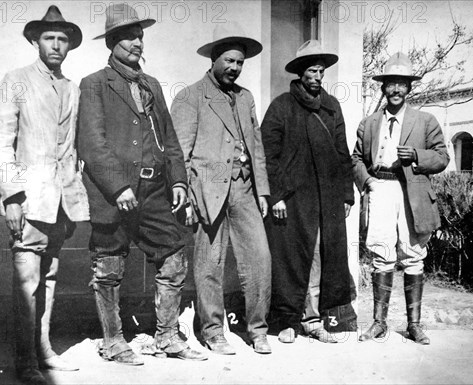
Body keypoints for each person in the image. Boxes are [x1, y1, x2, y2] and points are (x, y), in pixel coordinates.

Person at [78, 3, 207, 365]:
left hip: (154, 192)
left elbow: (169, 138)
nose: (137, 42)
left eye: (140, 36)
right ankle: (113, 341)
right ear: (112, 42)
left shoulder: (151, 85)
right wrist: (118, 187)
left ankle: (167, 337)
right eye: (128, 37)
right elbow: (92, 142)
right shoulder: (94, 85)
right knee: (108, 266)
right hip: (113, 194)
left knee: (174, 257)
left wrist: (179, 180)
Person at [0, 6, 90, 384]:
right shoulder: (16, 80)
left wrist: (74, 199)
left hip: (60, 203)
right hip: (28, 201)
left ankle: (44, 351)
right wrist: (13, 196)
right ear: (36, 41)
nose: (56, 45)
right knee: (26, 283)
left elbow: (71, 149)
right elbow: (3, 143)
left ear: (69, 46)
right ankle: (25, 360)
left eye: (62, 39)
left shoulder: (71, 88)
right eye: (49, 38)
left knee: (49, 278)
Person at [170, 22, 272, 355]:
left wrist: (264, 193)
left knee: (259, 258)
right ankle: (213, 331)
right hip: (207, 191)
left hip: (244, 190)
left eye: (240, 63)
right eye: (229, 61)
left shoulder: (245, 98)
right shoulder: (190, 97)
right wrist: (184, 194)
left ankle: (258, 330)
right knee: (209, 264)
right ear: (214, 60)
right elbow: (180, 152)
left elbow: (256, 147)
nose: (235, 68)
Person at [260, 40, 354, 344]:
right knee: (290, 258)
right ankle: (288, 320)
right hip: (291, 199)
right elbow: (267, 156)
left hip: (326, 199)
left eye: (321, 70)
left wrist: (346, 194)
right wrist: (276, 196)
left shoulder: (331, 106)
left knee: (319, 256)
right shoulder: (282, 106)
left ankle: (313, 319)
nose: (317, 76)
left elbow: (343, 153)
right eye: (312, 70)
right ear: (300, 73)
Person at [353, 52, 449, 345]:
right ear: (382, 87)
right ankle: (379, 323)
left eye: (402, 84)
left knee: (413, 252)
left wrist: (418, 155)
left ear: (410, 88)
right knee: (381, 252)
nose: (396, 90)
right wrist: (367, 181)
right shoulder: (369, 123)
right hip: (380, 186)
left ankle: (414, 325)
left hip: (413, 191)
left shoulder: (425, 120)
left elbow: (443, 157)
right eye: (390, 84)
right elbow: (356, 158)